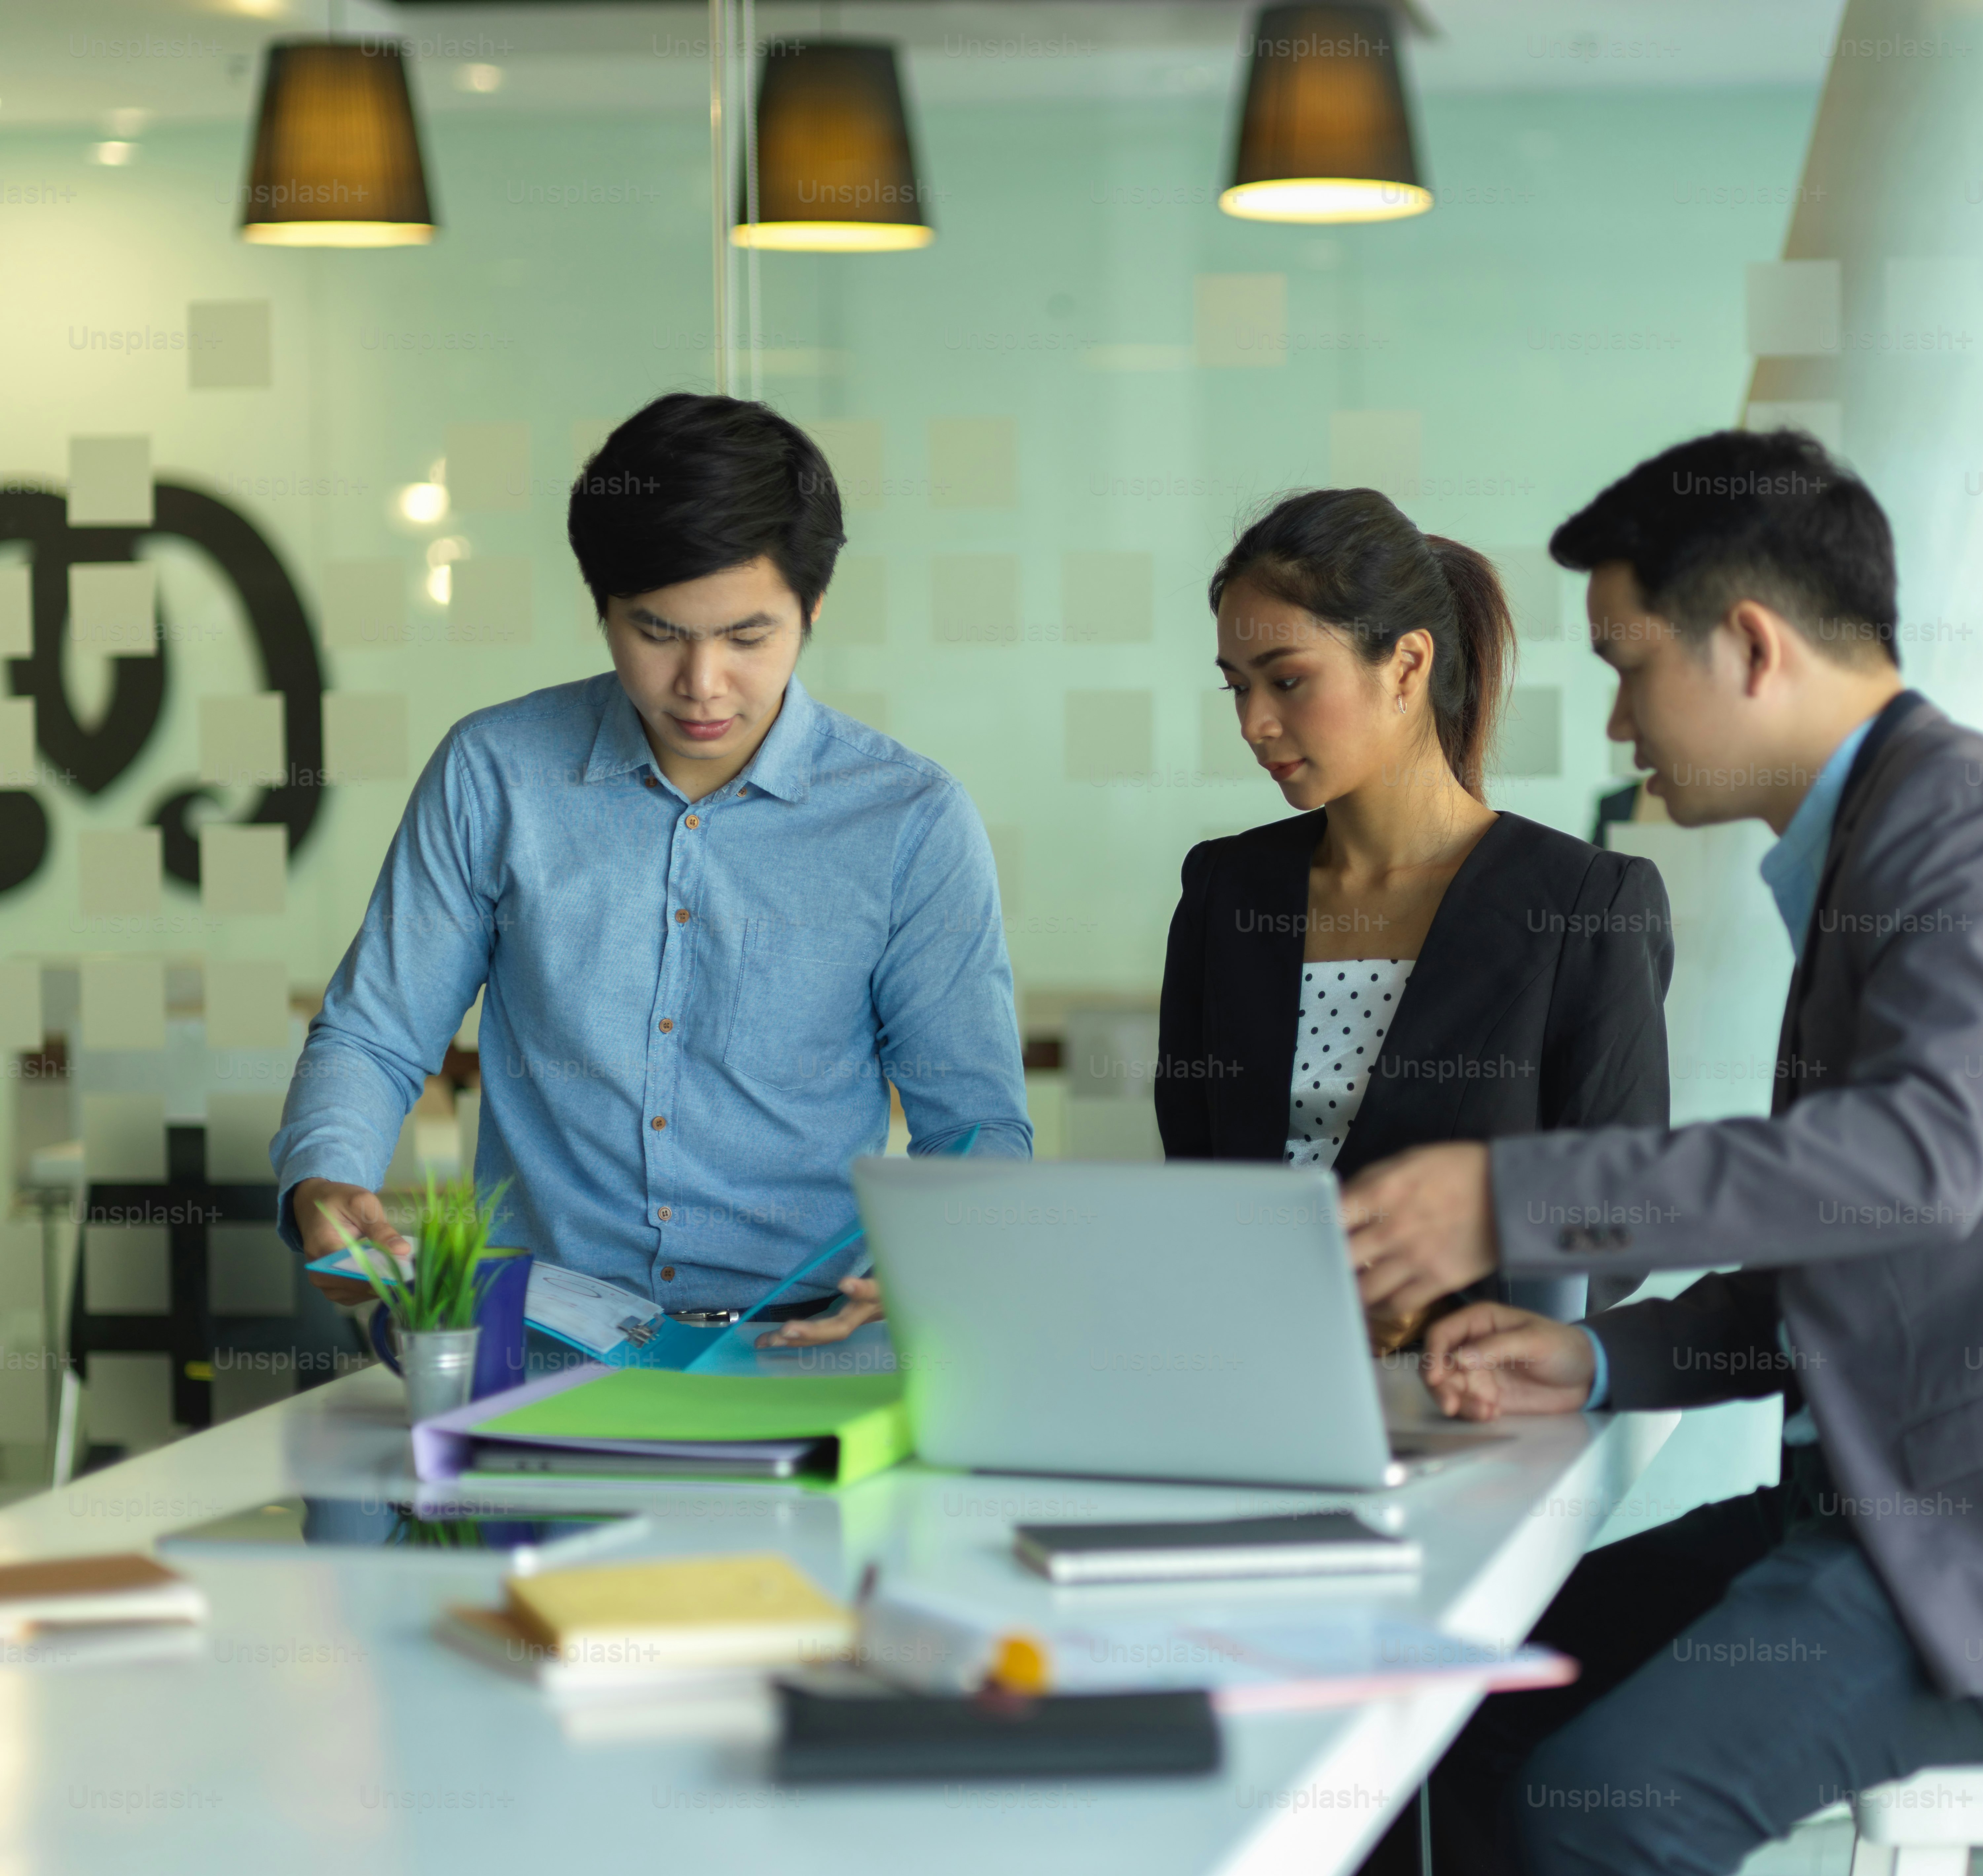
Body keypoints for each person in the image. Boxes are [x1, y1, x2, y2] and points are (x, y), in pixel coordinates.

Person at [1331, 429, 1983, 1876]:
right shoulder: (1878, 842)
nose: (1613, 718)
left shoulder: (1973, 832)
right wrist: (1603, 1355)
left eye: (1626, 663)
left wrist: (1507, 1200)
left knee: (1604, 1830)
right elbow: (1848, 1246)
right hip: (1896, 1512)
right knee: (1471, 1705)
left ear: (1748, 645)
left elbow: (1906, 1167)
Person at [272, 393, 1029, 1336]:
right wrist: (326, 1181)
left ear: (814, 607)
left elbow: (973, 1121)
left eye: (749, 637)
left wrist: (934, 1259)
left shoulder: (909, 819)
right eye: (659, 633)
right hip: (542, 1337)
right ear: (603, 609)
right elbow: (376, 1033)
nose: (702, 683)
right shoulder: (496, 774)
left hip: (809, 1341)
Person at [1157, 489, 1672, 1344]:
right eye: (1237, 688)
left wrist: (1433, 1301)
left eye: (1287, 680)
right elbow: (1194, 1181)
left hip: (1465, 1398)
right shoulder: (1226, 889)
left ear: (1405, 666)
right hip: (1249, 1372)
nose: (1254, 722)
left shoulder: (1586, 905)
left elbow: (1617, 1218)